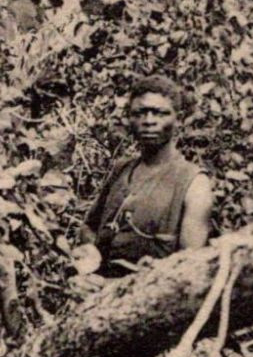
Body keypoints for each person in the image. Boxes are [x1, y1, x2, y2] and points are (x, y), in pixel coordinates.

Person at [81, 74, 215, 277]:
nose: (149, 121)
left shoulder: (194, 183)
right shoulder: (121, 170)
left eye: (160, 113)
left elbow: (187, 271)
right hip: (98, 296)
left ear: (177, 119)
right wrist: (88, 265)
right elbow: (88, 229)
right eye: (140, 113)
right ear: (129, 118)